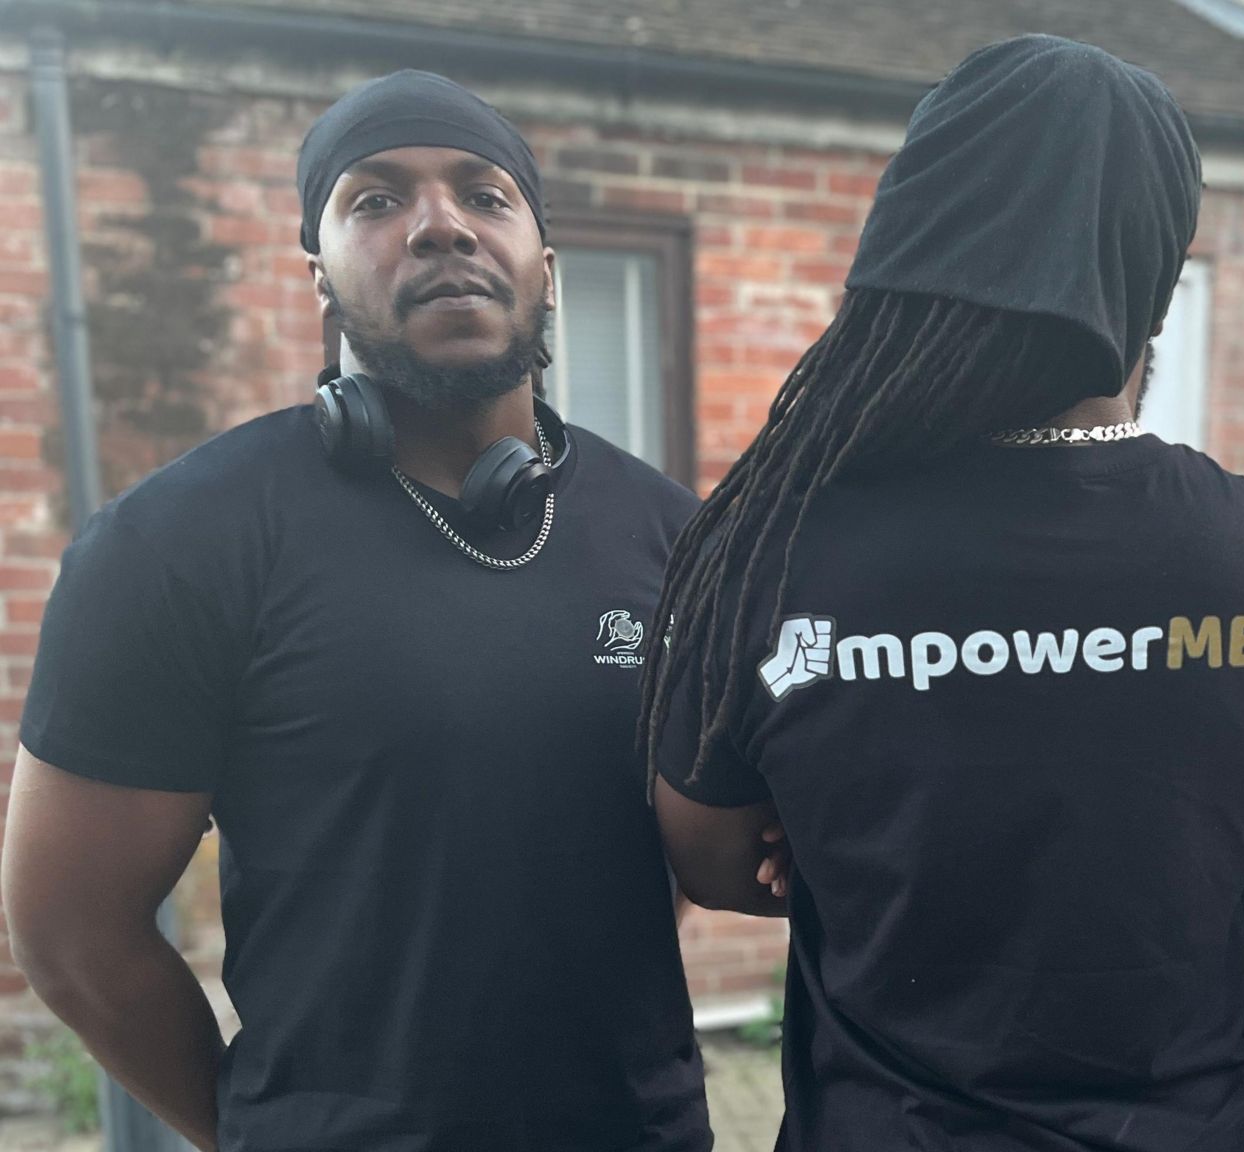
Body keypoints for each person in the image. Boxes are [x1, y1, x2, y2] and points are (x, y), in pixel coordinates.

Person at [641, 35, 1244, 1152]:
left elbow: (714, 861)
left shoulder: (768, 548)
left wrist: (849, 843)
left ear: (907, 253)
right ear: (1156, 280)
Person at [2, 71, 712, 1151]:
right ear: (320, 280)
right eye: (374, 201)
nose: (440, 227)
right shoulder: (180, 541)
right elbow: (70, 934)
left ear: (548, 270)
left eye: (484, 195)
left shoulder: (673, 540)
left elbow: (678, 853)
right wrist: (261, 1129)